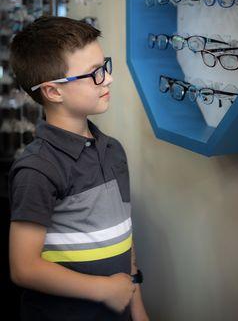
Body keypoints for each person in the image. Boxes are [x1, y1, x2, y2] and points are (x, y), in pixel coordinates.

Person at [8, 16, 149, 321]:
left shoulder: (112, 150)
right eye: (93, 74)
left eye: (104, 66)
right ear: (54, 92)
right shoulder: (37, 169)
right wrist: (103, 289)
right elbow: (24, 267)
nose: (108, 79)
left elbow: (124, 237)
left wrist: (138, 311)